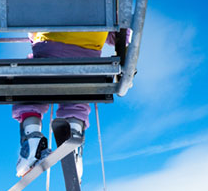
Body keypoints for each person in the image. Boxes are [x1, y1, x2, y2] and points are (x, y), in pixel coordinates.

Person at [11, 31, 124, 180]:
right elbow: (121, 34)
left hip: (47, 50)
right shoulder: (108, 6)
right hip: (86, 58)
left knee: (30, 85)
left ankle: (31, 136)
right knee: (78, 93)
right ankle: (73, 135)